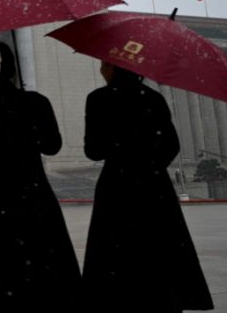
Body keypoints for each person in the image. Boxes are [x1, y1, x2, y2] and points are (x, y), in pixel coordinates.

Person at [0, 42, 81, 312]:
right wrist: (29, 116)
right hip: (34, 203)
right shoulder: (35, 103)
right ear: (13, 73)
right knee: (45, 283)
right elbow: (52, 145)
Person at [82, 61, 213, 312]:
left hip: (116, 187)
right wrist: (149, 165)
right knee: (159, 251)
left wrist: (121, 154)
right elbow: (171, 145)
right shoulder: (153, 99)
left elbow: (93, 150)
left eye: (103, 65)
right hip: (154, 187)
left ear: (111, 68)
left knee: (116, 256)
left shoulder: (99, 99)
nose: (101, 69)